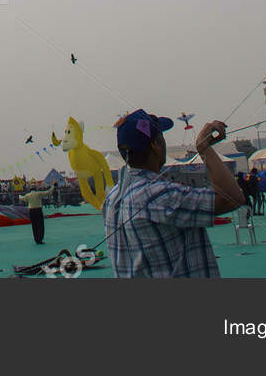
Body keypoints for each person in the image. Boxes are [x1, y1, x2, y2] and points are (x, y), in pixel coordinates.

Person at [102, 111, 245, 278]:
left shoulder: (111, 198)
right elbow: (232, 198)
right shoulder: (158, 194)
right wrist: (203, 147)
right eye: (162, 137)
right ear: (157, 145)